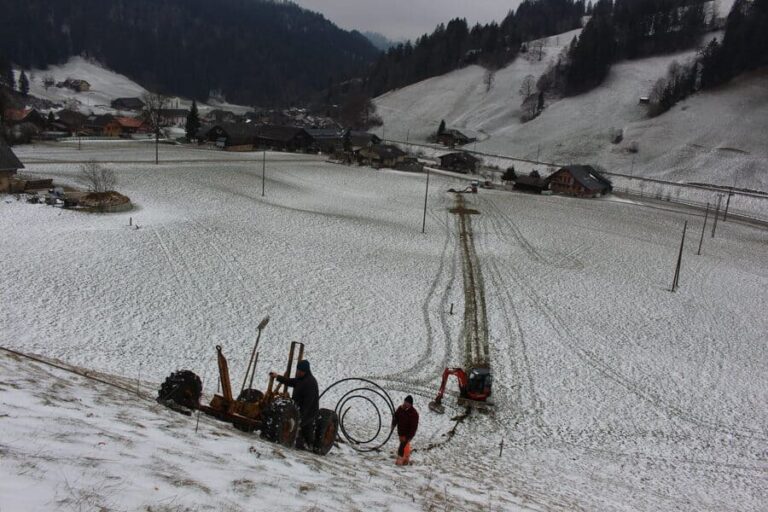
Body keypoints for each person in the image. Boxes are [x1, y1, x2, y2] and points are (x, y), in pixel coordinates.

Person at [270, 360, 319, 450]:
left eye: (300, 371)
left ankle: (311, 446)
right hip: (298, 410)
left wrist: (300, 417)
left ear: (305, 371)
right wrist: (277, 376)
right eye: (297, 370)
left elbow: (308, 403)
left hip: (309, 413)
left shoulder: (310, 382)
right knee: (298, 430)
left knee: (305, 434)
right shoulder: (300, 379)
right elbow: (289, 381)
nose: (298, 372)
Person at [392, 395, 419, 465]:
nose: (405, 403)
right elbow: (396, 417)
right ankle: (406, 459)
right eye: (405, 401)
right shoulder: (400, 408)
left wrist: (408, 437)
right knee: (405, 446)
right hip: (401, 432)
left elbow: (414, 427)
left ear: (410, 404)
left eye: (407, 402)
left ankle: (399, 461)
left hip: (407, 434)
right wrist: (393, 425)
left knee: (402, 447)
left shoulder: (414, 414)